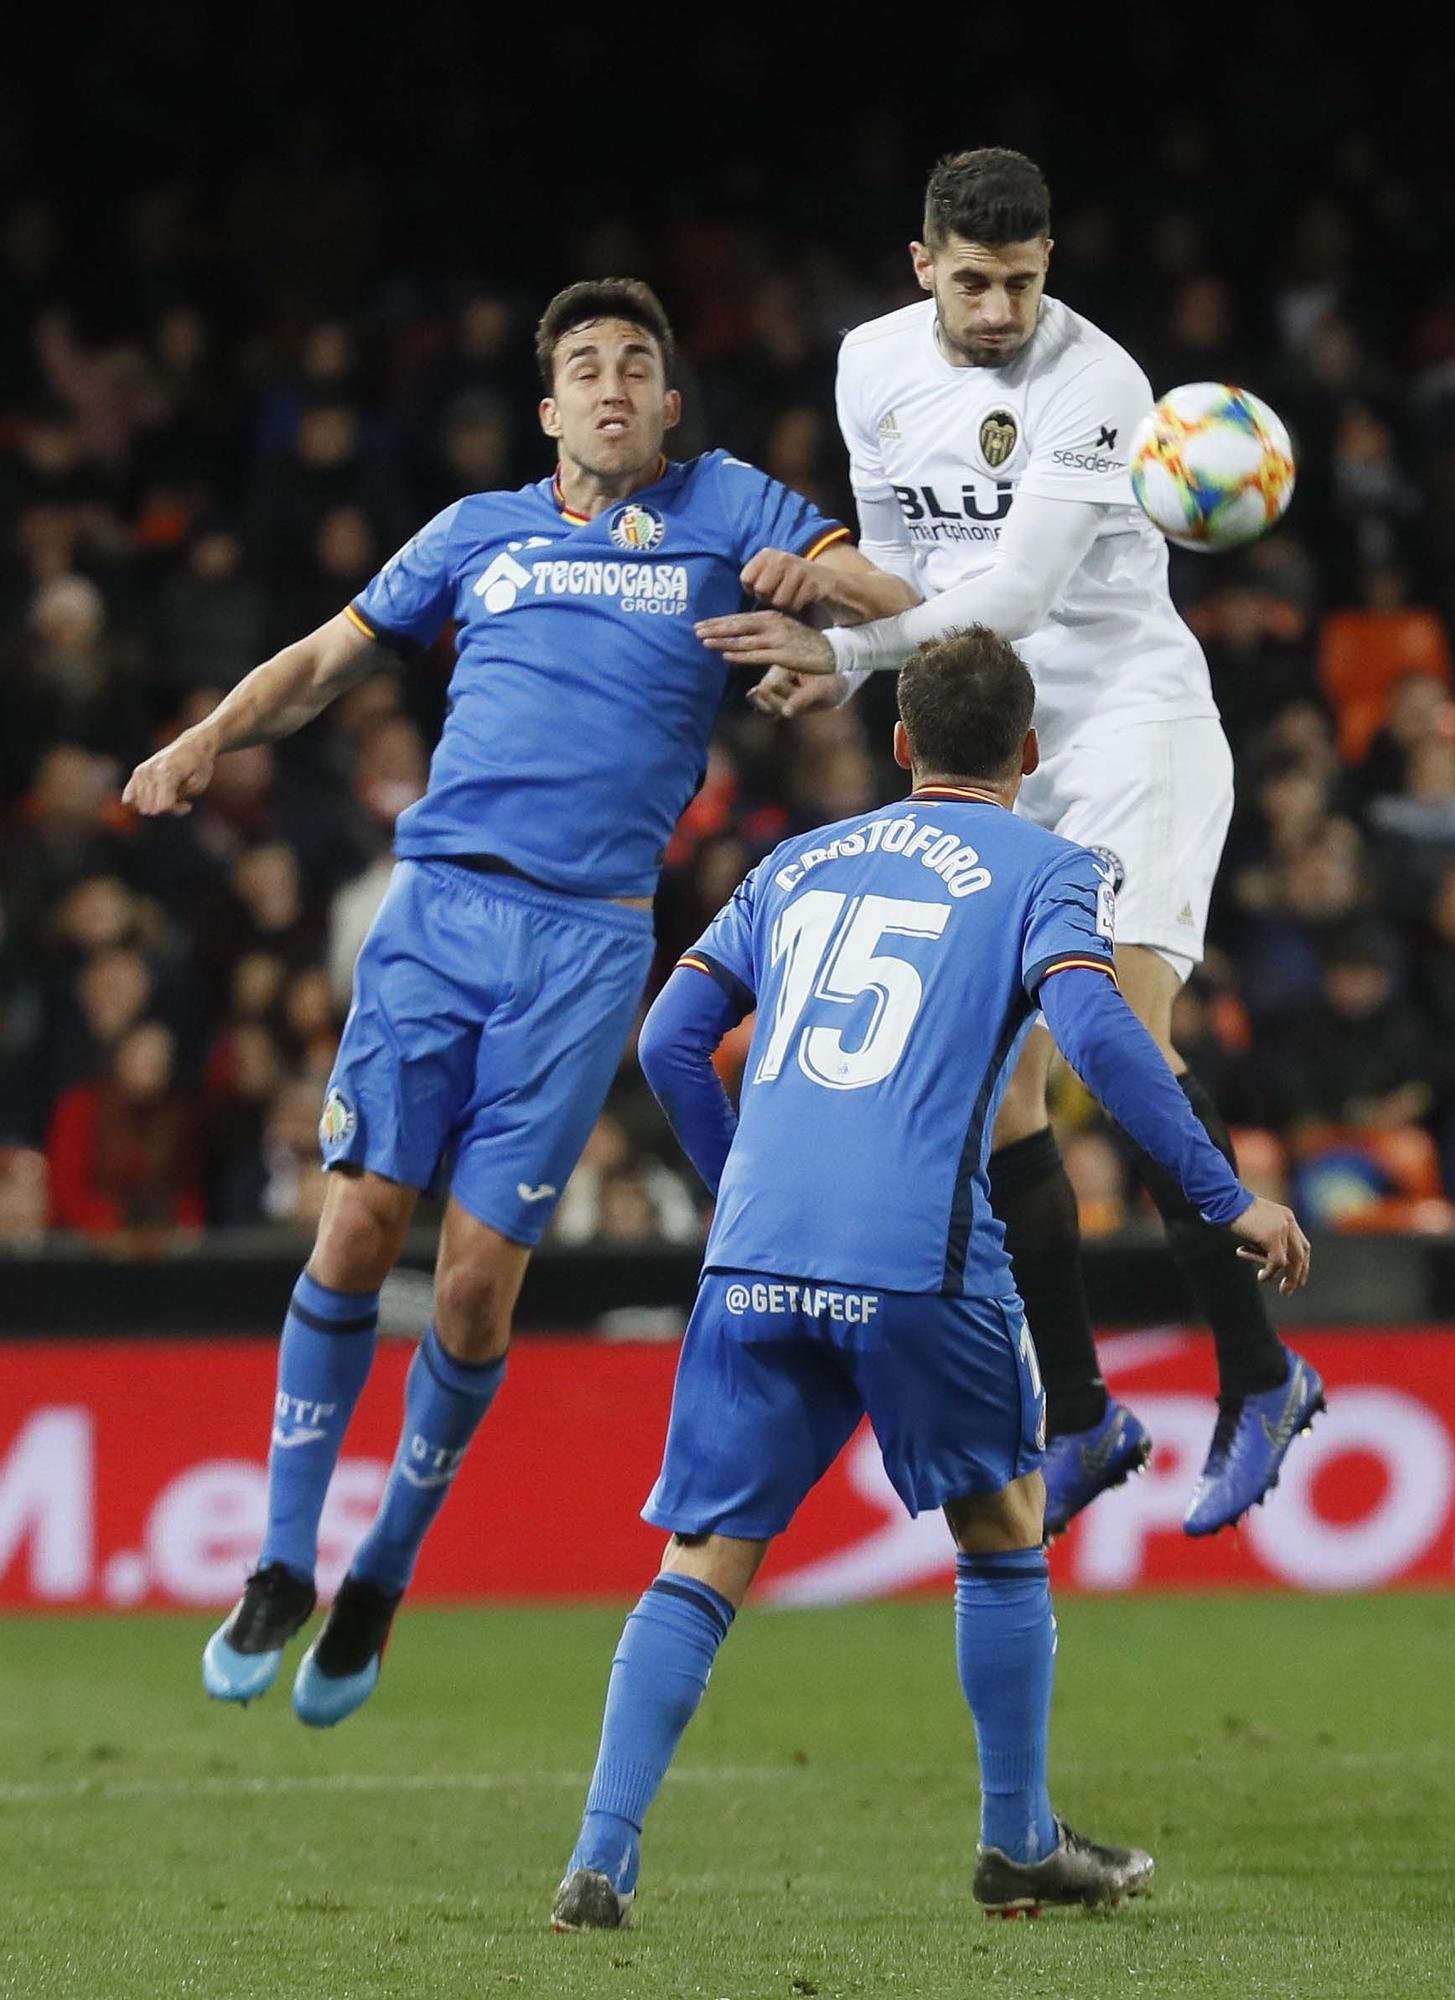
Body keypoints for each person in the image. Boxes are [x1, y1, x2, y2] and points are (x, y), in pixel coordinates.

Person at [123, 277, 912, 1725]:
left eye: (638, 367)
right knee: (358, 1219)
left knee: (479, 1285)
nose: (614, 385)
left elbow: (892, 593)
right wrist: (206, 735)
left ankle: (384, 1574)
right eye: (587, 368)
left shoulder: (728, 505)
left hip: (586, 941)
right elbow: (320, 661)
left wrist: (832, 611)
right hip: (438, 913)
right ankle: (285, 1561)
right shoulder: (474, 533)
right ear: (549, 411)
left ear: (670, 404)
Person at [552, 630, 1310, 1930]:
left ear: (900, 745)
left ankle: (601, 1860)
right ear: (1030, 753)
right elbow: (1097, 1033)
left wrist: (739, 1180)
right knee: (1005, 1527)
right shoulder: (1050, 866)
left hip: (756, 1259)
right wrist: (1222, 1194)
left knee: (704, 1558)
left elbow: (674, 1035)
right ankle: (1016, 1842)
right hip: (916, 1259)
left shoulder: (796, 863)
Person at [696, 148, 1324, 1537]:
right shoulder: (869, 364)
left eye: (1022, 283)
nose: (997, 311)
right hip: (1005, 743)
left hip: (1125, 733)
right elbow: (922, 572)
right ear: (923, 265)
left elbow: (1027, 593)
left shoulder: (1097, 380)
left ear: (1050, 270)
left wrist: (849, 646)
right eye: (973, 283)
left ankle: (1263, 1375)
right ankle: (1087, 1410)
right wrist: (846, 637)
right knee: (1008, 1100)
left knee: (1121, 1047)